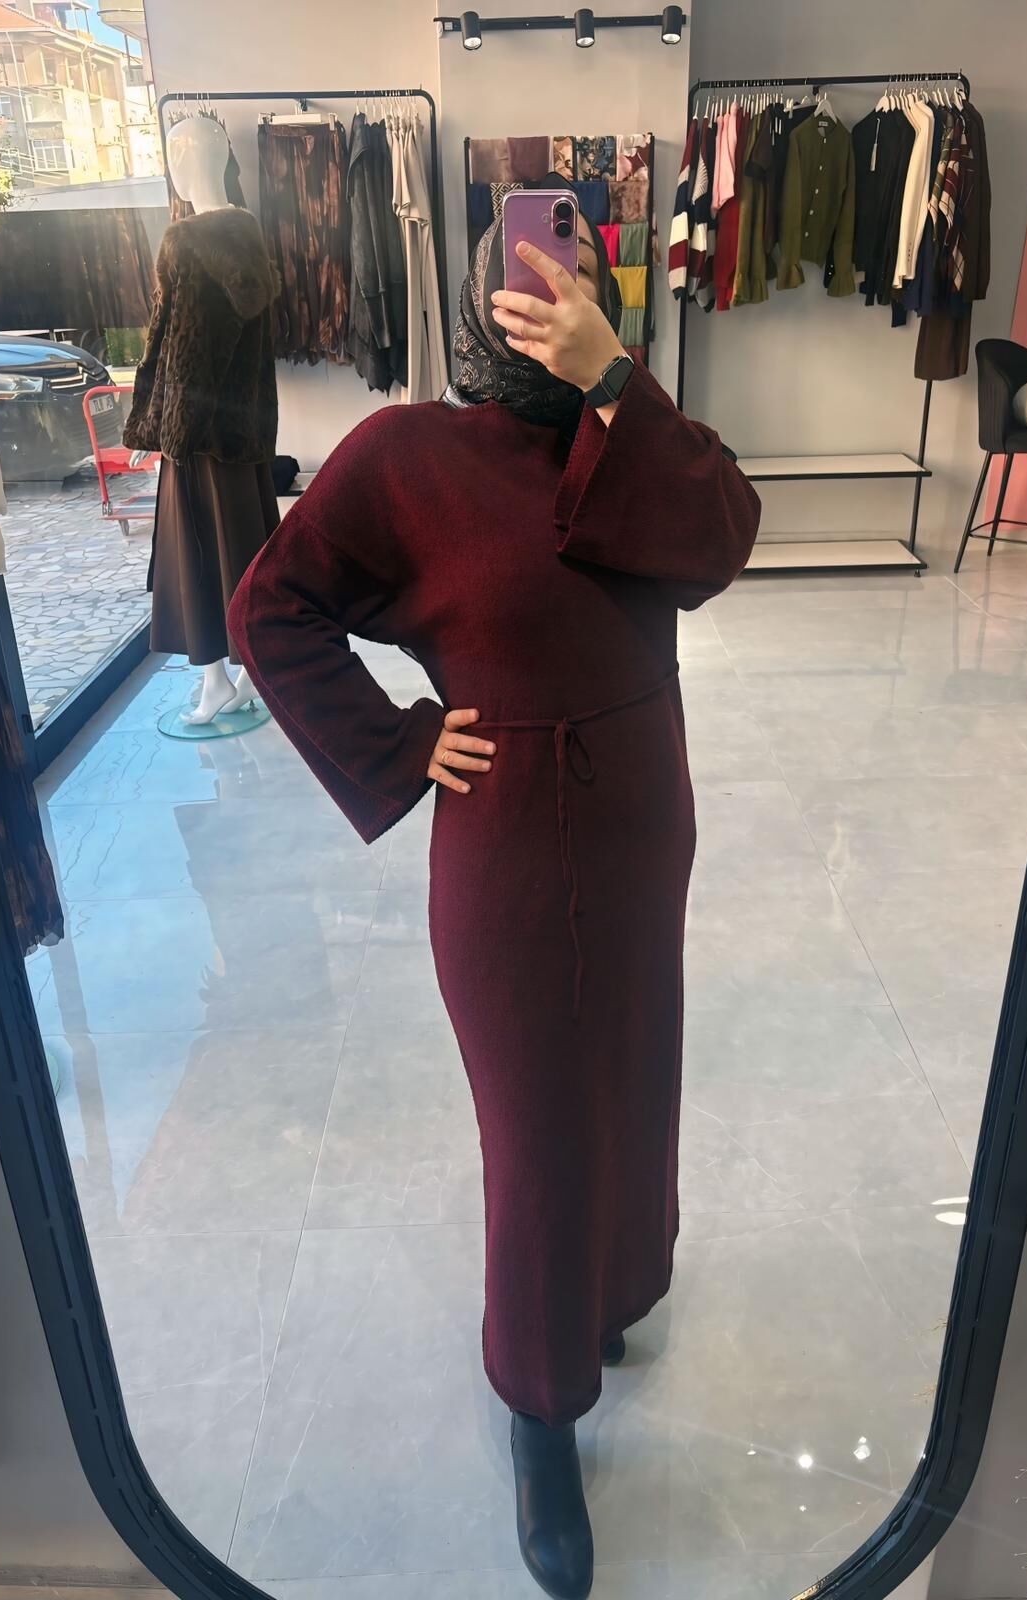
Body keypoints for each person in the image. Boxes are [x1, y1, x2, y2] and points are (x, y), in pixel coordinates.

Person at [227, 184, 760, 1600]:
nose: (551, 285)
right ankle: (541, 1407)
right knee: (537, 1131)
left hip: (641, 826)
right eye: (525, 270)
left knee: (635, 1080)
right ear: (478, 296)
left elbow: (724, 541)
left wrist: (613, 383)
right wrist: (400, 740)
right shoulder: (407, 456)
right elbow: (269, 606)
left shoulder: (631, 433)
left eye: (576, 270)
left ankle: (615, 1297)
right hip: (510, 842)